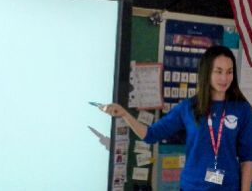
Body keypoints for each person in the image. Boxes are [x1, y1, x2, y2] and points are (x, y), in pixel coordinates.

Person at [102, 45, 252, 191]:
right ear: (207, 73)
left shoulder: (242, 109)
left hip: (229, 187)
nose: (224, 78)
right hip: (192, 186)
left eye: (229, 72)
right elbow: (150, 135)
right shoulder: (188, 107)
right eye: (218, 71)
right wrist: (124, 114)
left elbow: (247, 158)